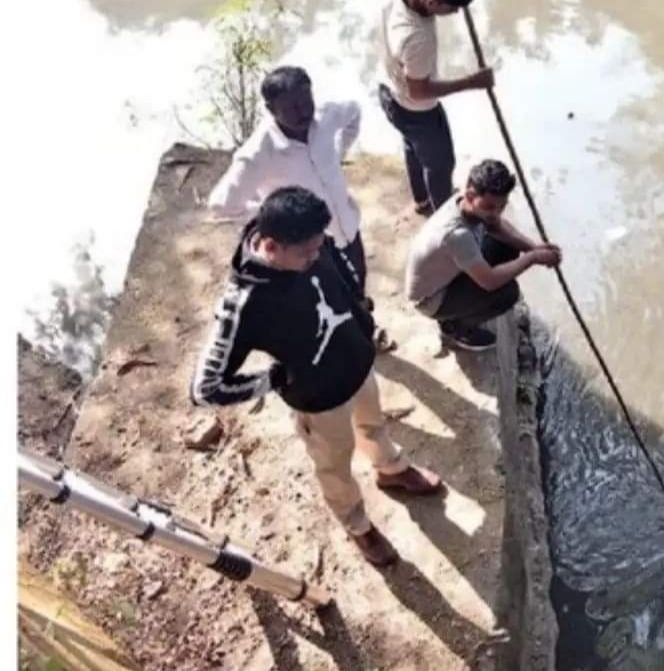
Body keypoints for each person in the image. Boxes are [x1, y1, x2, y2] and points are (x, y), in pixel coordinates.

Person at [191, 186, 442, 567]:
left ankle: (391, 469)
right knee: (334, 465)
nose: (316, 255)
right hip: (319, 401)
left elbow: (342, 264)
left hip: (358, 364)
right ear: (271, 247)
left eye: (318, 245)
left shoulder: (313, 242)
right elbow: (206, 388)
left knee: (374, 424)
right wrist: (274, 380)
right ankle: (357, 525)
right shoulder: (242, 304)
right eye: (306, 253)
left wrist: (361, 310)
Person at [207, 65, 394, 352]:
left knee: (357, 282)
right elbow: (221, 205)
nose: (304, 112)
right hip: (310, 247)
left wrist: (339, 153)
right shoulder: (258, 153)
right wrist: (275, 217)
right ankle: (349, 341)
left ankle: (363, 322)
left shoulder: (326, 116)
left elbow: (354, 113)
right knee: (327, 293)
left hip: (346, 226)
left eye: (306, 102)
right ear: (271, 110)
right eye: (291, 108)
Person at [378, 0, 495, 216]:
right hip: (415, 107)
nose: (454, 14)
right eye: (451, 8)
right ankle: (443, 217)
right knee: (440, 163)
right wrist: (472, 82)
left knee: (412, 146)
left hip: (386, 90)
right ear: (432, 1)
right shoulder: (418, 39)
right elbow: (420, 90)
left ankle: (421, 201)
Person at [405, 159, 562, 351]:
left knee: (507, 247)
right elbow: (490, 281)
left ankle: (462, 309)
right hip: (431, 300)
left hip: (446, 275)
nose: (496, 213)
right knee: (507, 294)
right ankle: (453, 328)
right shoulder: (457, 235)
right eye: (490, 207)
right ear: (471, 196)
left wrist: (533, 248)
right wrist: (533, 258)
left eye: (502, 206)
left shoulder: (465, 202)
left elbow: (497, 227)